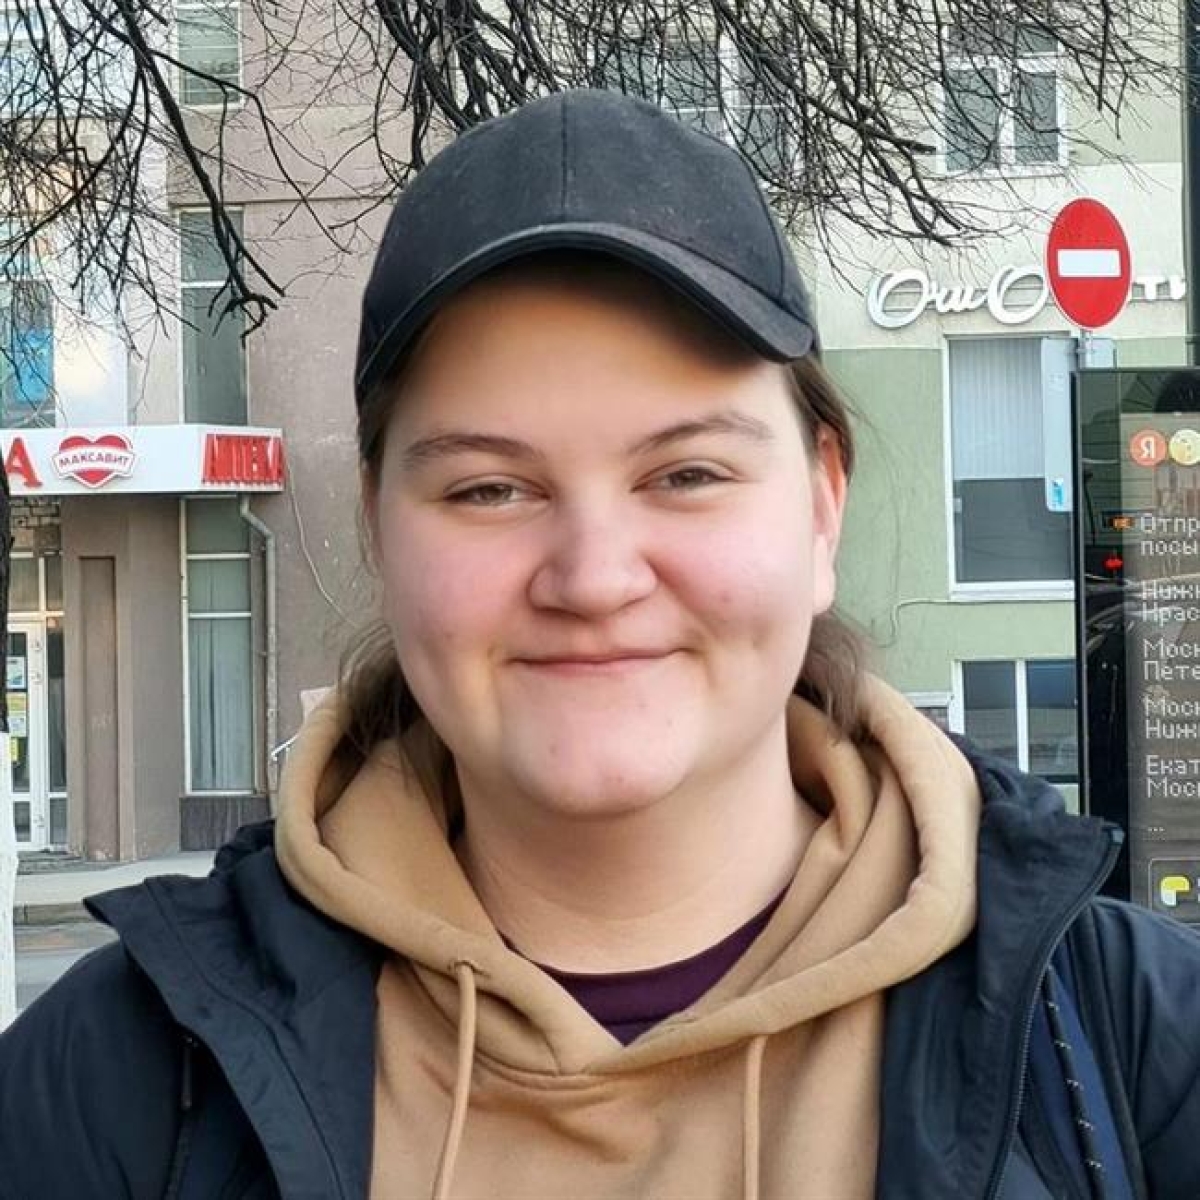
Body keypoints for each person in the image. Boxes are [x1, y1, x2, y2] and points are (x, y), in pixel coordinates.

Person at [2, 88, 1199, 1200]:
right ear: (377, 526)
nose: (593, 578)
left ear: (822, 505)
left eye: (687, 474)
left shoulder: (1134, 1048)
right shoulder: (111, 1082)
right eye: (488, 489)